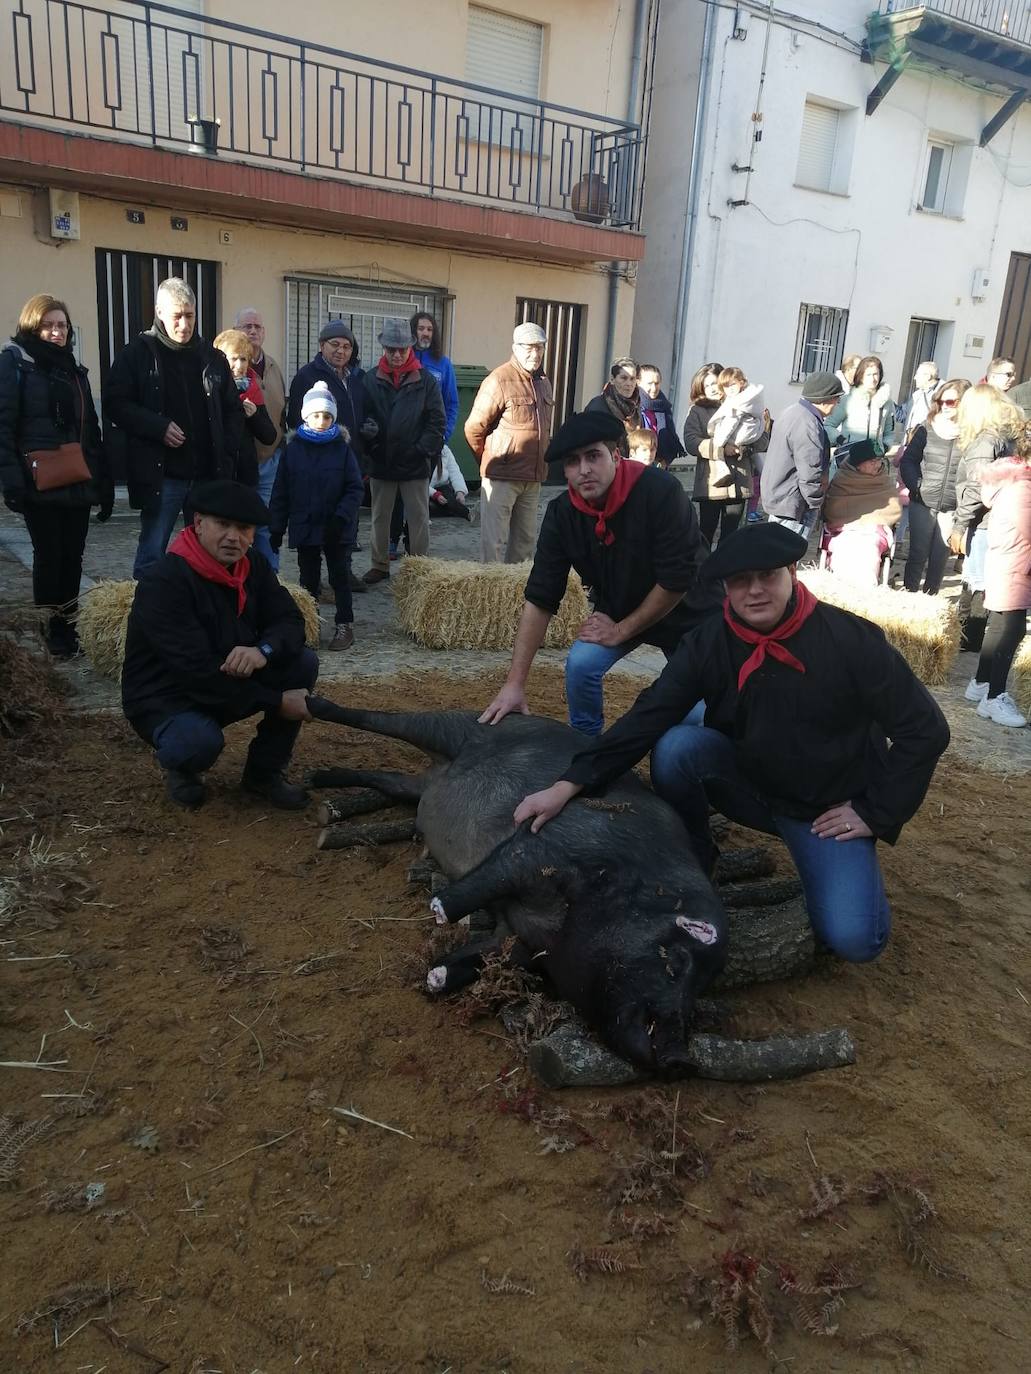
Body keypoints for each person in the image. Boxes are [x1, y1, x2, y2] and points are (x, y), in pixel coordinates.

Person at [512, 523, 950, 965]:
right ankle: (698, 855)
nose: (755, 591)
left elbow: (925, 729)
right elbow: (651, 713)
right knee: (678, 747)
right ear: (725, 587)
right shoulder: (709, 641)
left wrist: (875, 811)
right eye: (740, 581)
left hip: (825, 810)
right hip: (753, 784)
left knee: (857, 939)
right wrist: (569, 782)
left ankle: (835, 861)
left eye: (768, 576)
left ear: (793, 572)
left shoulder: (851, 639)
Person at [479, 410, 715, 737]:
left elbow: (677, 581)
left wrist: (620, 630)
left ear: (616, 455)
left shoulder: (661, 492)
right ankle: (584, 740)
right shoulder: (562, 514)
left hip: (688, 613)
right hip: (621, 610)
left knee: (694, 719)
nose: (584, 470)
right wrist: (514, 683)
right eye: (573, 462)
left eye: (594, 456)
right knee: (581, 665)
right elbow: (541, 597)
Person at [121, 479, 317, 810]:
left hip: (225, 678)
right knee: (197, 741)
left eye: (243, 528)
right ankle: (182, 767)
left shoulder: (252, 565)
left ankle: (263, 774)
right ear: (198, 524)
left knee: (302, 663)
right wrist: (276, 700)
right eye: (222, 525)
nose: (233, 537)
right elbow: (194, 671)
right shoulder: (164, 581)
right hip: (167, 695)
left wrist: (261, 651)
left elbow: (292, 622)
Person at [104, 277, 244, 578]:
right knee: (152, 553)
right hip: (162, 476)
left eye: (190, 315)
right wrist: (157, 426)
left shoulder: (212, 357)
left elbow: (233, 409)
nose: (184, 324)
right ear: (159, 312)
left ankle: (205, 612)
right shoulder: (137, 354)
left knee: (210, 554)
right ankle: (150, 615)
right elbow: (115, 404)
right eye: (177, 316)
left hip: (207, 475)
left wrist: (227, 448)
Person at [0, 293, 111, 657]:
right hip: (40, 481)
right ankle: (51, 630)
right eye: (48, 325)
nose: (56, 332)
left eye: (61, 325)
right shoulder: (15, 364)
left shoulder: (75, 371)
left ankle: (71, 627)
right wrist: (12, 481)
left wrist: (103, 480)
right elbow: (4, 426)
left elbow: (91, 431)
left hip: (76, 478)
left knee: (73, 558)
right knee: (48, 557)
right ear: (33, 326)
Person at [269, 381, 364, 652]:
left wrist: (342, 517)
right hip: (305, 524)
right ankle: (310, 625)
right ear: (305, 416)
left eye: (326, 416)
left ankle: (345, 624)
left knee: (339, 577)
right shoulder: (293, 450)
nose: (321, 421)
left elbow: (354, 487)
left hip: (337, 527)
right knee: (308, 578)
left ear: (333, 417)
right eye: (315, 415)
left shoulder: (342, 450)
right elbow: (281, 491)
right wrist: (276, 527)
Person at [360, 318, 446, 583]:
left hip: (414, 463)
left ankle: (419, 569)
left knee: (419, 519)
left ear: (410, 348)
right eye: (391, 349)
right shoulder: (370, 379)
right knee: (379, 518)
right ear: (383, 348)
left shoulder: (426, 381)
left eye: (401, 349)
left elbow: (437, 421)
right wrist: (370, 440)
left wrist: (421, 450)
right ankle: (380, 564)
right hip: (381, 462)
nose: (396, 354)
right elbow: (363, 415)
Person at [465, 322, 554, 564]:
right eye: (528, 347)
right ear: (515, 347)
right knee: (493, 544)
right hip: (501, 477)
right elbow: (473, 428)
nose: (534, 354)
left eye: (539, 348)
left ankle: (516, 598)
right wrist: (489, 461)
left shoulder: (544, 382)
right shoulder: (498, 380)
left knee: (524, 546)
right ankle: (489, 598)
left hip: (533, 478)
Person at [949, 384, 1023, 652]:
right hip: (1002, 519)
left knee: (977, 582)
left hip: (984, 522)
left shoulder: (986, 441)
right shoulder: (1008, 437)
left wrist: (958, 526)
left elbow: (975, 488)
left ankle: (971, 641)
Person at [967, 438, 1031, 727]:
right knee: (1013, 629)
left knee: (999, 625)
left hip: (1008, 561)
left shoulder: (1014, 481)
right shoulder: (1024, 489)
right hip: (1016, 564)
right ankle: (994, 696)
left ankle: (981, 682)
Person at [389, 311, 461, 558]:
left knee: (418, 497)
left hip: (428, 443)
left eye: (429, 329)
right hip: (400, 442)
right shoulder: (402, 358)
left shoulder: (443, 364)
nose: (425, 333)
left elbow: (451, 404)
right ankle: (391, 540)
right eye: (421, 328)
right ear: (412, 332)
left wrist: (443, 436)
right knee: (396, 493)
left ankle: (414, 547)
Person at [899, 378, 969, 594]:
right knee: (917, 552)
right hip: (923, 500)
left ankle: (931, 597)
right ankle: (909, 595)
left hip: (952, 504)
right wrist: (916, 486)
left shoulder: (971, 433)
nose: (945, 406)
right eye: (941, 401)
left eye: (951, 402)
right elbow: (908, 460)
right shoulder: (926, 428)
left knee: (940, 556)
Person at [760, 371, 842, 536]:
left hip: (781, 496)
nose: (837, 403)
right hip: (793, 502)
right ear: (826, 399)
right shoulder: (808, 424)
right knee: (786, 554)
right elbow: (810, 471)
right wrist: (816, 502)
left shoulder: (792, 412)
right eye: (836, 398)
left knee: (776, 552)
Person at [235, 307, 287, 568]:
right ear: (236, 331)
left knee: (268, 522)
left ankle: (271, 577)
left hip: (270, 461)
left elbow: (281, 414)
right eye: (247, 326)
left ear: (264, 332)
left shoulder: (275, 367)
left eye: (257, 326)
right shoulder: (231, 367)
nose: (253, 331)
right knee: (241, 524)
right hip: (239, 462)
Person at [696, 367, 765, 549]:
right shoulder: (698, 411)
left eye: (715, 383)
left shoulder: (745, 402)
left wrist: (743, 447)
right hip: (711, 483)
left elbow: (763, 439)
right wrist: (720, 449)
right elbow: (691, 442)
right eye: (708, 385)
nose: (712, 388)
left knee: (731, 535)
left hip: (739, 482)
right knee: (706, 532)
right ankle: (702, 572)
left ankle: (726, 574)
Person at [821, 440, 902, 587]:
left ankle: (866, 587)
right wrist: (852, 523)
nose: (877, 465)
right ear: (858, 463)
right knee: (843, 546)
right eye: (872, 462)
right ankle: (839, 585)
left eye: (879, 460)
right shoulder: (842, 479)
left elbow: (892, 509)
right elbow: (833, 508)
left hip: (874, 532)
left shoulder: (883, 480)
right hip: (842, 529)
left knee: (869, 549)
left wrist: (870, 522)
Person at [212, 328, 277, 489]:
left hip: (246, 476)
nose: (239, 366)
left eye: (244, 359)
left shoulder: (252, 388)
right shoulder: (211, 390)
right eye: (233, 359)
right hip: (216, 473)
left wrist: (254, 415)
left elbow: (269, 436)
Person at [287, 321, 365, 437]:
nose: (340, 351)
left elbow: (363, 412)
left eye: (346, 347)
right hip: (321, 452)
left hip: (351, 453)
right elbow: (296, 421)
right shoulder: (306, 376)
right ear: (322, 345)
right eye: (335, 344)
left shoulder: (355, 379)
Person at [827, 355, 894, 450]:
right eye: (868, 375)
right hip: (849, 456)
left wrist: (885, 447)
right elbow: (828, 425)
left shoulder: (887, 403)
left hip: (874, 459)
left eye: (875, 374)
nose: (873, 379)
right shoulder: (847, 400)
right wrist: (841, 440)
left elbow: (889, 432)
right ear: (861, 376)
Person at [637, 364, 686, 470]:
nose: (654, 388)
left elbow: (670, 436)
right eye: (650, 383)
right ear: (638, 382)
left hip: (660, 464)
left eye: (657, 383)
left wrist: (665, 461)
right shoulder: (634, 405)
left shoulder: (664, 406)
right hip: (637, 462)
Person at [586, 357, 642, 442]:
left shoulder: (637, 405)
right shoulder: (598, 406)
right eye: (624, 378)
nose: (629, 383)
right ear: (612, 380)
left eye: (632, 379)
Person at [429, 446, 472, 519]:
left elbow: (454, 472)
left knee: (450, 501)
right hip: (425, 489)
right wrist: (435, 494)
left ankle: (469, 514)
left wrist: (460, 491)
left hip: (442, 487)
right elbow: (417, 483)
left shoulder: (445, 450)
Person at [902, 361, 940, 431]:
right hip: (912, 439)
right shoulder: (917, 395)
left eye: (917, 374)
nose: (914, 378)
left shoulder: (942, 394)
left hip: (929, 440)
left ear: (928, 377)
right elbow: (903, 414)